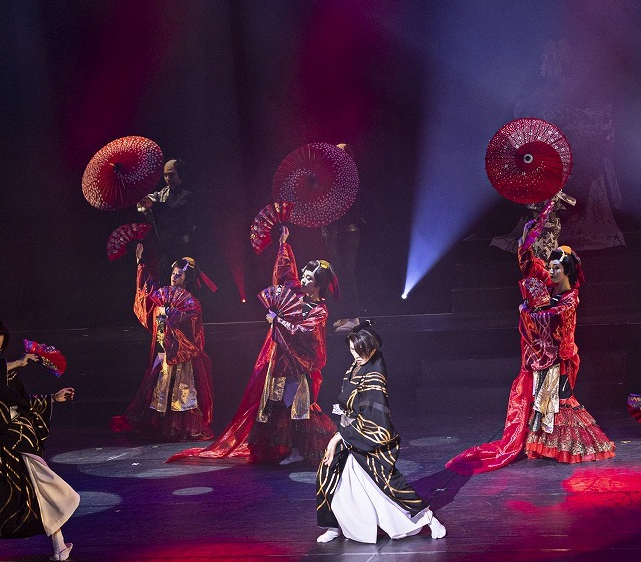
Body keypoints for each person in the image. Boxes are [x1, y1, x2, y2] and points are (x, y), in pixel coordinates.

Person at [448, 200, 616, 474]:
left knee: (559, 402)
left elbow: (550, 317)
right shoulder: (549, 284)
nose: (550, 271)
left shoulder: (571, 298)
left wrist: (527, 310)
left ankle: (571, 446)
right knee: (541, 402)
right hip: (541, 355)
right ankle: (542, 444)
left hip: (560, 357)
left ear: (568, 271)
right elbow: (527, 261)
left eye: (556, 269)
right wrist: (531, 233)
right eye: (550, 267)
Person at [170, 226, 337, 465]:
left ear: (319, 284)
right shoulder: (296, 294)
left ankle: (303, 448)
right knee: (276, 404)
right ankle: (286, 449)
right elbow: (285, 274)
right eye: (305, 276)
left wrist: (277, 321)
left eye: (309, 278)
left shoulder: (320, 311)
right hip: (278, 360)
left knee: (298, 407)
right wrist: (283, 246)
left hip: (297, 367)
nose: (303, 280)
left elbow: (306, 334)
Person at [0, 320, 79, 561]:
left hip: (19, 435)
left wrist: (52, 398)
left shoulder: (6, 371)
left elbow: (22, 401)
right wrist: (17, 363)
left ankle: (59, 544)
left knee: (38, 486)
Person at [316, 323, 446, 543]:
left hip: (369, 434)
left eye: (360, 352)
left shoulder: (375, 372)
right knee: (329, 472)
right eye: (352, 351)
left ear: (371, 348)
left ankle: (429, 518)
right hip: (351, 430)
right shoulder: (359, 363)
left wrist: (338, 437)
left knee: (388, 483)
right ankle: (334, 525)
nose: (356, 356)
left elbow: (373, 418)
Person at [110, 244, 214, 441]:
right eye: (174, 273)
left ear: (187, 279)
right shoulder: (163, 294)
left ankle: (180, 428)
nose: (174, 277)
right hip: (162, 349)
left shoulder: (192, 303)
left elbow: (194, 331)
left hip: (181, 355)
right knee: (159, 386)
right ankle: (160, 425)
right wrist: (140, 264)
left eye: (179, 275)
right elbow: (145, 296)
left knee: (180, 390)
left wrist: (172, 315)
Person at [322, 142, 364, 334]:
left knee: (347, 273)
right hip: (337, 232)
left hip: (347, 232)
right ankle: (346, 315)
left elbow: (345, 208)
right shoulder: (335, 179)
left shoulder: (350, 178)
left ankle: (354, 318)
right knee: (338, 274)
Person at [137, 159, 195, 274]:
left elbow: (174, 212)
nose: (167, 178)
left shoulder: (187, 194)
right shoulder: (164, 192)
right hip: (165, 248)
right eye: (165, 175)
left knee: (182, 282)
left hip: (182, 247)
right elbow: (151, 204)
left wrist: (153, 205)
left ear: (180, 174)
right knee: (165, 282)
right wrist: (143, 201)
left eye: (171, 175)